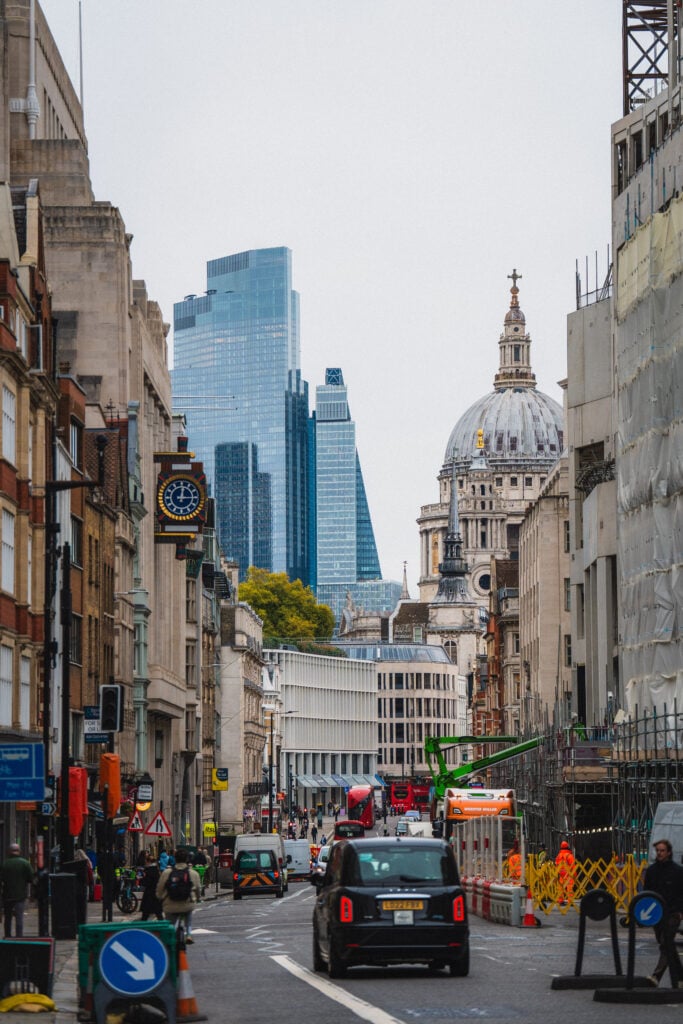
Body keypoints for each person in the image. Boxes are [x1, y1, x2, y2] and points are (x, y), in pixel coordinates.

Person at [644, 837, 683, 987]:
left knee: (666, 942)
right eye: (658, 850)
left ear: (669, 852)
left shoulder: (678, 871)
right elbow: (647, 892)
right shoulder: (652, 871)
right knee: (667, 945)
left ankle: (656, 976)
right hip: (656, 913)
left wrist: (681, 911)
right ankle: (681, 977)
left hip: (673, 913)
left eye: (662, 850)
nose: (659, 853)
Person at [156, 848, 201, 943]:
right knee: (188, 914)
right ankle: (188, 933)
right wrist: (197, 898)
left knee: (171, 924)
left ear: (175, 859)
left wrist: (160, 898)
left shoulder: (166, 873)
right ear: (187, 859)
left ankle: (170, 937)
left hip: (170, 905)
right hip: (187, 904)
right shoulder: (193, 873)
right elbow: (198, 889)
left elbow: (160, 888)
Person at [0, 843, 35, 938]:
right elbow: (31, 878)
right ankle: (19, 937)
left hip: (7, 895)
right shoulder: (25, 863)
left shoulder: (4, 864)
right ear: (19, 851)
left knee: (8, 918)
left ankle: (7, 936)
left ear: (9, 851)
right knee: (19, 918)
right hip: (20, 895)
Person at [139, 854, 164, 921]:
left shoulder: (149, 870)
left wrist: (141, 879)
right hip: (156, 894)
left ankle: (142, 926)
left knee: (145, 914)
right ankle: (162, 925)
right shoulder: (156, 869)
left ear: (148, 862)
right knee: (158, 914)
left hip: (149, 894)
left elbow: (147, 882)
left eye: (146, 861)